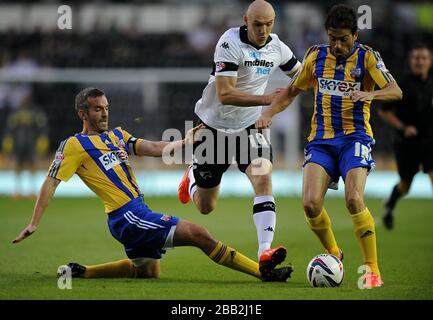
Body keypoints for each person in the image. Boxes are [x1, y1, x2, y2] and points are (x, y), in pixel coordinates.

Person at [12, 87, 292, 282]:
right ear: (82, 114)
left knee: (147, 272)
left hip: (136, 211)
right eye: (98, 110)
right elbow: (51, 182)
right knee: (200, 234)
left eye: (106, 108)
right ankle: (263, 272)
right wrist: (34, 221)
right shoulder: (74, 145)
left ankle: (82, 272)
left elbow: (156, 148)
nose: (105, 114)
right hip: (127, 215)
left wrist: (186, 140)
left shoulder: (117, 135)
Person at [255, 4, 403, 288]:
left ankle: (372, 268)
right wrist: (268, 113)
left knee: (353, 199)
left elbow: (396, 90)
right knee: (310, 204)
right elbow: (292, 90)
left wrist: (371, 95)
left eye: (343, 38)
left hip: (355, 139)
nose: (337, 44)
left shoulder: (368, 58)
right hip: (321, 141)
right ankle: (334, 253)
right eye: (333, 37)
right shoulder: (315, 56)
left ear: (355, 35)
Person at [177, 0, 301, 269]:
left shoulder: (278, 47)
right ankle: (191, 176)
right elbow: (225, 94)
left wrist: (275, 109)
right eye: (257, 24)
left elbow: (300, 77)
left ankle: (265, 252)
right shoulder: (228, 42)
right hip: (214, 127)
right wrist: (267, 99)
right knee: (206, 207)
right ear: (246, 20)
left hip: (249, 127)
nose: (263, 30)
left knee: (263, 179)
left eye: (269, 24)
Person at [378, 44, 433, 230]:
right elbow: (384, 112)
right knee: (406, 185)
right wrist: (403, 127)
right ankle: (389, 205)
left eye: (423, 58)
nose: (420, 61)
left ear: (429, 61)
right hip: (406, 142)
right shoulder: (400, 84)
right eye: (416, 58)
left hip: (429, 141)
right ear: (411, 61)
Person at [2, 93, 49, 199]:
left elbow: (42, 127)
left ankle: (32, 190)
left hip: (31, 144)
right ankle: (17, 190)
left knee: (32, 166)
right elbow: (9, 128)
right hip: (18, 144)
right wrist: (8, 139)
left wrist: (42, 139)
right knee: (17, 167)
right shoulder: (15, 112)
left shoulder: (36, 112)